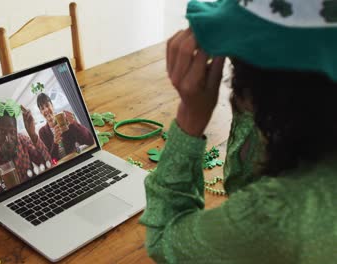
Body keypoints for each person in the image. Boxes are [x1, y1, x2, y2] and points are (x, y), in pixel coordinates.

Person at [139, 0, 337, 263]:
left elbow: (164, 239)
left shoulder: (280, 211)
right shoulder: (311, 126)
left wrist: (190, 115)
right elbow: (244, 180)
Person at [36, 93, 94, 161]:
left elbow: (90, 140)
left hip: (75, 159)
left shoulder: (65, 121)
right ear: (40, 112)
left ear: (52, 106)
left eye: (47, 105)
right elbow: (51, 160)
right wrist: (55, 143)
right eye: (42, 108)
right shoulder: (42, 132)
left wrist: (74, 123)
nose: (45, 110)